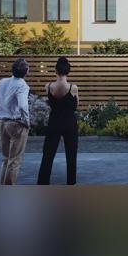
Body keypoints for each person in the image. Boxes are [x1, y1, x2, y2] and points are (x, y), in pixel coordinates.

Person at [0, 58, 31, 185]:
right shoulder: (22, 85)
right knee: (14, 161)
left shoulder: (2, 82)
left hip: (2, 123)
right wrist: (27, 122)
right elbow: (23, 106)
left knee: (6, 159)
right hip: (16, 124)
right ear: (26, 71)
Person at [37, 57, 79, 185]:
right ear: (68, 71)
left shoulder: (48, 86)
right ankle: (71, 183)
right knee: (71, 154)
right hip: (69, 122)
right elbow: (75, 106)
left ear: (56, 70)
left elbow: (50, 103)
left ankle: (42, 183)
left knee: (48, 154)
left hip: (54, 121)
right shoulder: (73, 88)